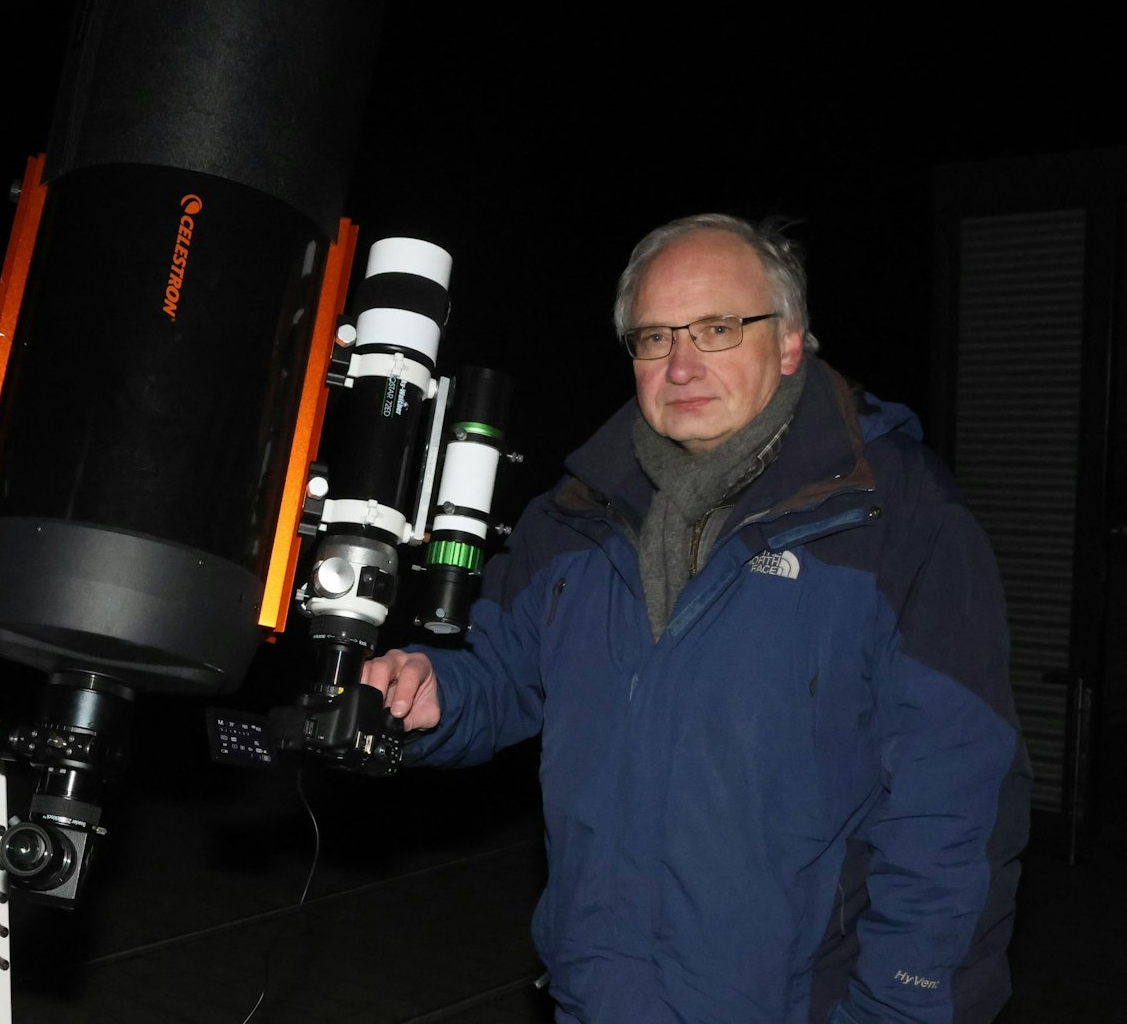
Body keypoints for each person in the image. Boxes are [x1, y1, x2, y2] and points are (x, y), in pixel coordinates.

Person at [364, 214, 1029, 1023]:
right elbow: (506, 670)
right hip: (600, 996)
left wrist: (903, 1008)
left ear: (789, 341)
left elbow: (954, 807)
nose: (680, 364)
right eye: (653, 337)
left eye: (716, 328)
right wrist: (435, 689)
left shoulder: (898, 517)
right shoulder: (578, 510)